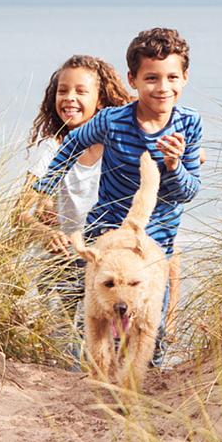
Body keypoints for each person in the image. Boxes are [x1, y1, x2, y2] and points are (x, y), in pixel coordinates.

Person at [31, 28, 202, 365]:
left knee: (150, 332)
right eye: (151, 78)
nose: (162, 87)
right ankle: (94, 380)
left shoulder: (190, 123)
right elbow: (72, 144)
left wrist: (174, 165)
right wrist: (46, 191)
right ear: (133, 80)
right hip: (106, 236)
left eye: (171, 77)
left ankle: (141, 379)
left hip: (156, 243)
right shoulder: (112, 121)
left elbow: (188, 191)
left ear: (184, 78)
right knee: (102, 322)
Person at [17, 55, 132, 354]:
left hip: (110, 264)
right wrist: (44, 232)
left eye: (81, 91)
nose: (69, 97)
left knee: (111, 347)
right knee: (64, 349)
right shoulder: (53, 147)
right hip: (64, 262)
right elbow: (20, 212)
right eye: (63, 90)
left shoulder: (119, 146)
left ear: (101, 100)